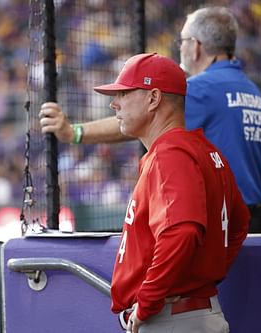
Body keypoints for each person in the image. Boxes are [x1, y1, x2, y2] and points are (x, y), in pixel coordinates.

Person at [39, 6, 261, 233]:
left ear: (196, 47)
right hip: (254, 218)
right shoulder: (252, 91)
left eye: (183, 41)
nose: (180, 48)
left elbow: (137, 118)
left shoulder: (203, 88)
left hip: (223, 223)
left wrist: (74, 132)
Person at [91, 53, 249, 332]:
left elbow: (182, 230)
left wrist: (148, 302)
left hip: (173, 317)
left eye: (124, 93)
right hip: (191, 311)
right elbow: (239, 223)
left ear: (153, 98)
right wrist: (199, 275)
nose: (114, 103)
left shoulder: (171, 153)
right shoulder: (205, 150)